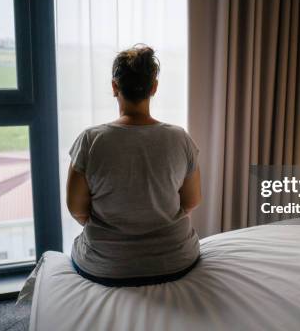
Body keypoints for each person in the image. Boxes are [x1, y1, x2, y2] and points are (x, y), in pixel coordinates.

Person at [66, 44, 201, 287]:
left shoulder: (90, 140)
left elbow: (76, 209)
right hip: (176, 260)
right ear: (154, 87)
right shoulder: (180, 138)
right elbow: (192, 201)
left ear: (114, 87)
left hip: (106, 265)